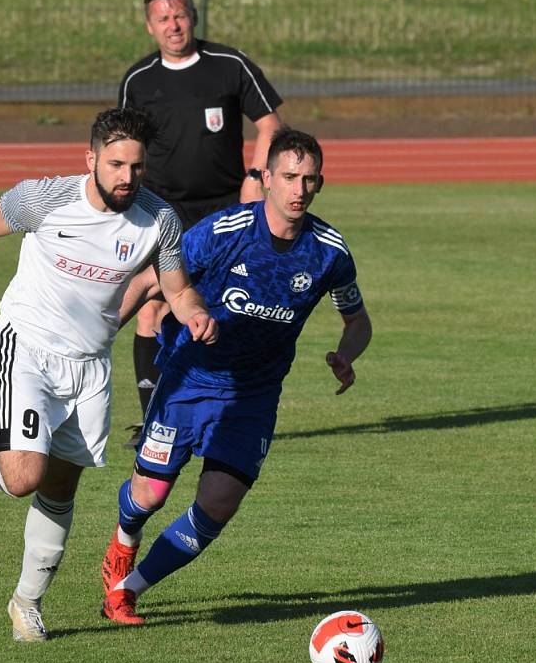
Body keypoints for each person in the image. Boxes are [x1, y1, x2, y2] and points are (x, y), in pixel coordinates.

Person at [0, 107, 218, 642]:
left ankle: (26, 604)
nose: (127, 177)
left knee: (60, 490)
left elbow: (175, 287)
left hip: (90, 369)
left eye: (136, 167)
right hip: (28, 347)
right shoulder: (43, 198)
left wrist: (193, 309)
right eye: (116, 165)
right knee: (22, 478)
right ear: (91, 160)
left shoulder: (159, 220)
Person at [99, 127, 373, 625]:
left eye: (309, 180)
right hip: (190, 381)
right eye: (289, 176)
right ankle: (123, 542)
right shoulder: (225, 232)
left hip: (254, 397)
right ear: (267, 177)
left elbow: (358, 319)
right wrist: (100, 335)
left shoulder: (329, 252)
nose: (298, 189)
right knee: (149, 495)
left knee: (217, 507)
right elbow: (152, 279)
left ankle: (127, 590)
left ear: (320, 184)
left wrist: (346, 354)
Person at [119, 0, 284, 446]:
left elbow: (270, 124)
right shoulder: (138, 80)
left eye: (179, 15)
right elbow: (126, 144)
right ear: (150, 26)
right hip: (162, 215)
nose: (173, 25)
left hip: (223, 214)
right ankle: (153, 420)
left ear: (192, 16)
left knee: (220, 312)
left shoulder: (228, 65)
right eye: (162, 19)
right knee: (151, 307)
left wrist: (255, 179)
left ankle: (227, 412)